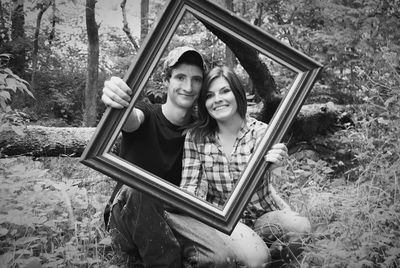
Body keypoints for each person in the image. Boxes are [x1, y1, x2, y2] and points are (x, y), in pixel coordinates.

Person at [101, 47, 283, 267]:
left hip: (175, 217)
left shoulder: (201, 131)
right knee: (140, 187)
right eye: (180, 77)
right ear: (166, 80)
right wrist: (118, 100)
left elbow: (236, 129)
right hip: (130, 214)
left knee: (219, 258)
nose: (188, 87)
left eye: (196, 80)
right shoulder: (145, 113)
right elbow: (130, 118)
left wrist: (268, 157)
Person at [180, 65, 312, 266]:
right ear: (204, 102)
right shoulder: (196, 137)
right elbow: (188, 187)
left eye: (225, 91)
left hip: (264, 217)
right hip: (224, 222)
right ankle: (257, 254)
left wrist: (278, 162)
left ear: (238, 94)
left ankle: (272, 256)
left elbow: (275, 168)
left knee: (301, 227)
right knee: (254, 258)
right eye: (209, 95)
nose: (218, 99)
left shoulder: (261, 132)